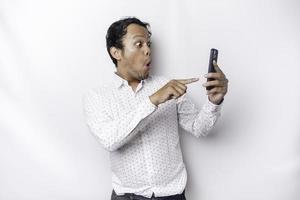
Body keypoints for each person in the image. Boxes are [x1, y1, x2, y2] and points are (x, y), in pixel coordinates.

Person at [83, 17, 228, 200]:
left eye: (148, 44)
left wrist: (214, 101)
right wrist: (152, 101)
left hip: (172, 195)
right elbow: (110, 140)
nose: (147, 50)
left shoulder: (168, 86)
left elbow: (199, 128)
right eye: (139, 44)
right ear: (116, 53)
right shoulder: (97, 97)